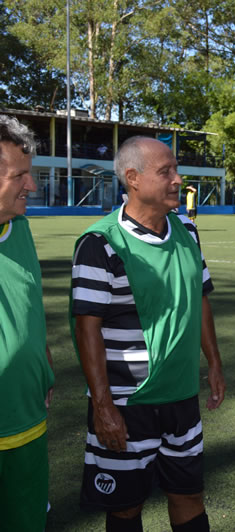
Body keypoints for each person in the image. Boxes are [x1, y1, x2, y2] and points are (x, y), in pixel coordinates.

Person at [71, 136, 226, 532]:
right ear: (134, 178)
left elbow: (200, 297)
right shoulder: (100, 243)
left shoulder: (187, 230)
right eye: (166, 171)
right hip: (126, 403)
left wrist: (214, 362)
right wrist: (103, 406)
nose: (178, 179)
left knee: (188, 495)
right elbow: (87, 328)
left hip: (181, 397)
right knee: (126, 507)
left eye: (176, 169)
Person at [0, 115, 55, 532]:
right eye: (19, 176)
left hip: (28, 420)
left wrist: (43, 360)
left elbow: (28, 306)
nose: (31, 186)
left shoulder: (19, 227)